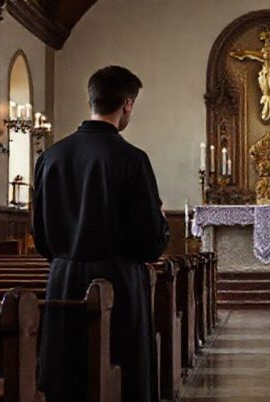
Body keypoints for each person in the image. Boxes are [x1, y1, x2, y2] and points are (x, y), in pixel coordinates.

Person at [33, 65, 169, 402]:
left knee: (66, 374)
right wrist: (160, 225)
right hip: (118, 283)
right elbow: (150, 241)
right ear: (127, 104)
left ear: (92, 99)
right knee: (121, 374)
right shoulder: (132, 159)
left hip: (63, 279)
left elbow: (40, 235)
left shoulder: (50, 156)